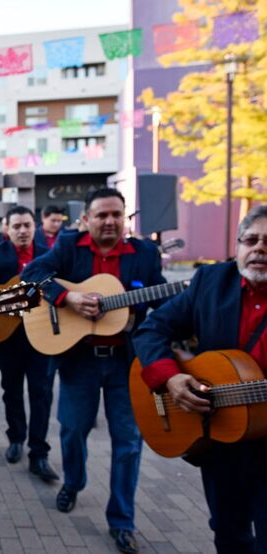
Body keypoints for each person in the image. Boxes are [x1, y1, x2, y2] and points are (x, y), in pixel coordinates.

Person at [21, 188, 166, 554]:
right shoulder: (70, 246)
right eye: (101, 215)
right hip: (79, 358)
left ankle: (122, 521)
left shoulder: (145, 253)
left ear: (124, 218)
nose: (109, 221)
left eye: (116, 215)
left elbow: (163, 299)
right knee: (71, 431)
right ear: (87, 219)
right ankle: (73, 482)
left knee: (129, 443)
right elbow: (32, 272)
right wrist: (67, 297)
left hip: (126, 363)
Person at [134, 205, 267, 553]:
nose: (259, 249)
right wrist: (171, 379)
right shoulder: (211, 282)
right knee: (229, 535)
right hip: (221, 438)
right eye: (251, 240)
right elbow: (151, 329)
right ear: (238, 245)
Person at [0, 206, 58, 481]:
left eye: (27, 225)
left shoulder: (49, 254)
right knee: (11, 389)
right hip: (8, 335)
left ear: (34, 227)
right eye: (17, 226)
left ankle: (39, 452)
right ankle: (16, 438)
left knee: (42, 393)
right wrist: (8, 298)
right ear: (7, 229)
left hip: (43, 335)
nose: (22, 230)